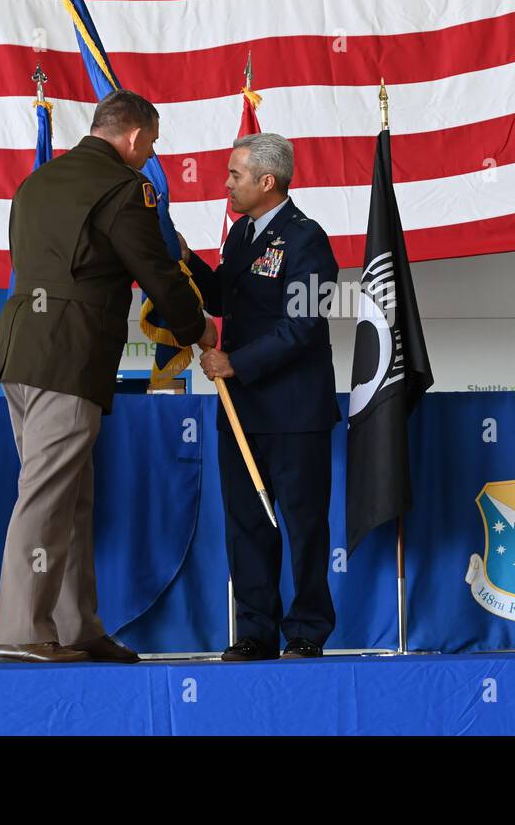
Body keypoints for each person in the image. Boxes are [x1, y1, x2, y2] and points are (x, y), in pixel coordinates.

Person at [0, 89, 216, 664]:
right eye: (152, 145)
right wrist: (200, 330)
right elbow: (157, 274)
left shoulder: (36, 183)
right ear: (135, 137)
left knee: (71, 495)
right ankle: (20, 631)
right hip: (68, 356)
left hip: (21, 350)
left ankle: (75, 627)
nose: (149, 156)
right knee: (46, 494)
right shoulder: (123, 189)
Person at [183, 133, 339, 661]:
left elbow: (305, 326)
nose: (226, 183)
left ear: (266, 181)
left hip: (296, 414)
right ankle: (255, 631)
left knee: (304, 525)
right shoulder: (241, 236)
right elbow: (225, 294)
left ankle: (307, 631)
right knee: (247, 526)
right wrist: (184, 259)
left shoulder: (308, 239)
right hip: (243, 412)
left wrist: (235, 362)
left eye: (235, 175)